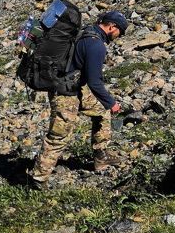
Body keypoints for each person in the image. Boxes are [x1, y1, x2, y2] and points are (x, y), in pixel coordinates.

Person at [29, 10, 129, 189]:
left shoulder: (87, 30)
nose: (119, 36)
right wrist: (112, 103)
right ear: (112, 27)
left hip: (75, 86)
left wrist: (105, 104)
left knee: (101, 111)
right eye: (120, 31)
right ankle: (38, 178)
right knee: (59, 135)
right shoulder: (96, 45)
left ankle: (100, 156)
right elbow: (95, 82)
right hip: (65, 93)